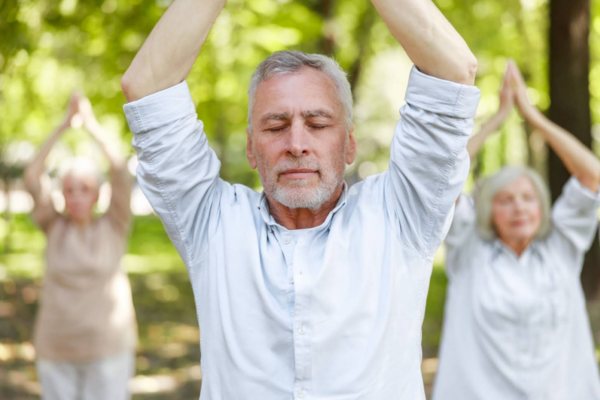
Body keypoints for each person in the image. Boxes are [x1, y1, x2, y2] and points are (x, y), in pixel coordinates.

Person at [121, 0, 479, 398]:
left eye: (317, 124)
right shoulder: (212, 223)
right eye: (275, 126)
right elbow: (146, 88)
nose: (296, 144)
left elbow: (454, 72)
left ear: (349, 144)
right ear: (252, 150)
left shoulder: (401, 215)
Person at [432, 61, 600, 400]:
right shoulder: (468, 251)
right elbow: (440, 179)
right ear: (489, 212)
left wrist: (533, 116)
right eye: (506, 200)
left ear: (541, 208)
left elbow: (593, 177)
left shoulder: (561, 248)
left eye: (527, 199)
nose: (519, 207)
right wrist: (496, 120)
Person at [24, 94, 137, 400]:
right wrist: (63, 126)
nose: (76, 196)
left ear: (98, 194)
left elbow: (120, 172)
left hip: (108, 349)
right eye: (69, 190)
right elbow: (32, 176)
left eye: (84, 189)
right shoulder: (54, 226)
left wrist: (90, 126)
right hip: (56, 348)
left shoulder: (114, 224)